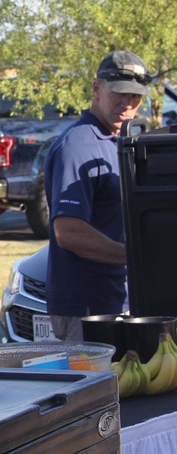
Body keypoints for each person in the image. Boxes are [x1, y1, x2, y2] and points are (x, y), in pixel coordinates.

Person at [44, 50, 150, 340]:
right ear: (96, 89)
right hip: (87, 309)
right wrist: (137, 257)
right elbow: (69, 232)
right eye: (119, 94)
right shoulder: (79, 145)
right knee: (98, 387)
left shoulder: (117, 140)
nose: (127, 104)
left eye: (135, 97)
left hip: (117, 300)